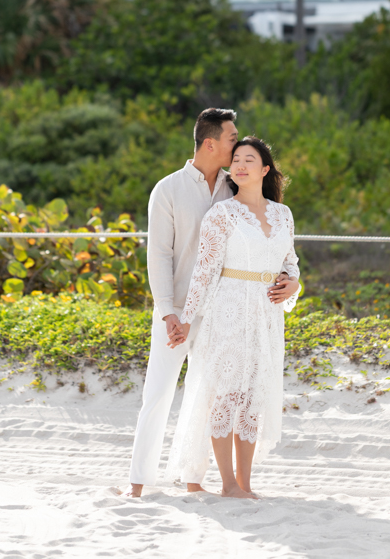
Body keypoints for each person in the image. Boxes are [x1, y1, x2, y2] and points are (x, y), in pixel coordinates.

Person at [123, 112, 296, 499]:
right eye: (233, 139)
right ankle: (137, 483)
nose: (238, 148)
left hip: (221, 311)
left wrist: (292, 280)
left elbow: (275, 251)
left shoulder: (229, 186)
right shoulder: (167, 190)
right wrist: (169, 312)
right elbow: (158, 256)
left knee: (208, 392)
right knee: (159, 393)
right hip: (177, 309)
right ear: (211, 143)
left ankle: (194, 477)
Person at [166, 136, 301, 499]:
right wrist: (187, 318)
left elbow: (291, 264)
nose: (239, 165)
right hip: (227, 309)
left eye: (249, 160)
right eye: (236, 159)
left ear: (265, 169)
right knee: (226, 395)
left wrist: (293, 284)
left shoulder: (282, 214)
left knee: (254, 397)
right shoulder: (221, 214)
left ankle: (245, 483)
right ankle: (226, 483)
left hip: (267, 315)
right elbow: (204, 272)